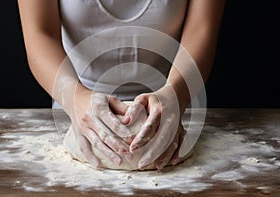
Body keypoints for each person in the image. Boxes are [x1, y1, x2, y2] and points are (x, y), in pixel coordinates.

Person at [17, 0, 226, 170]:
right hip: (74, 111)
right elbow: (40, 32)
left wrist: (176, 95)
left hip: (172, 108)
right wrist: (75, 98)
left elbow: (201, 28)